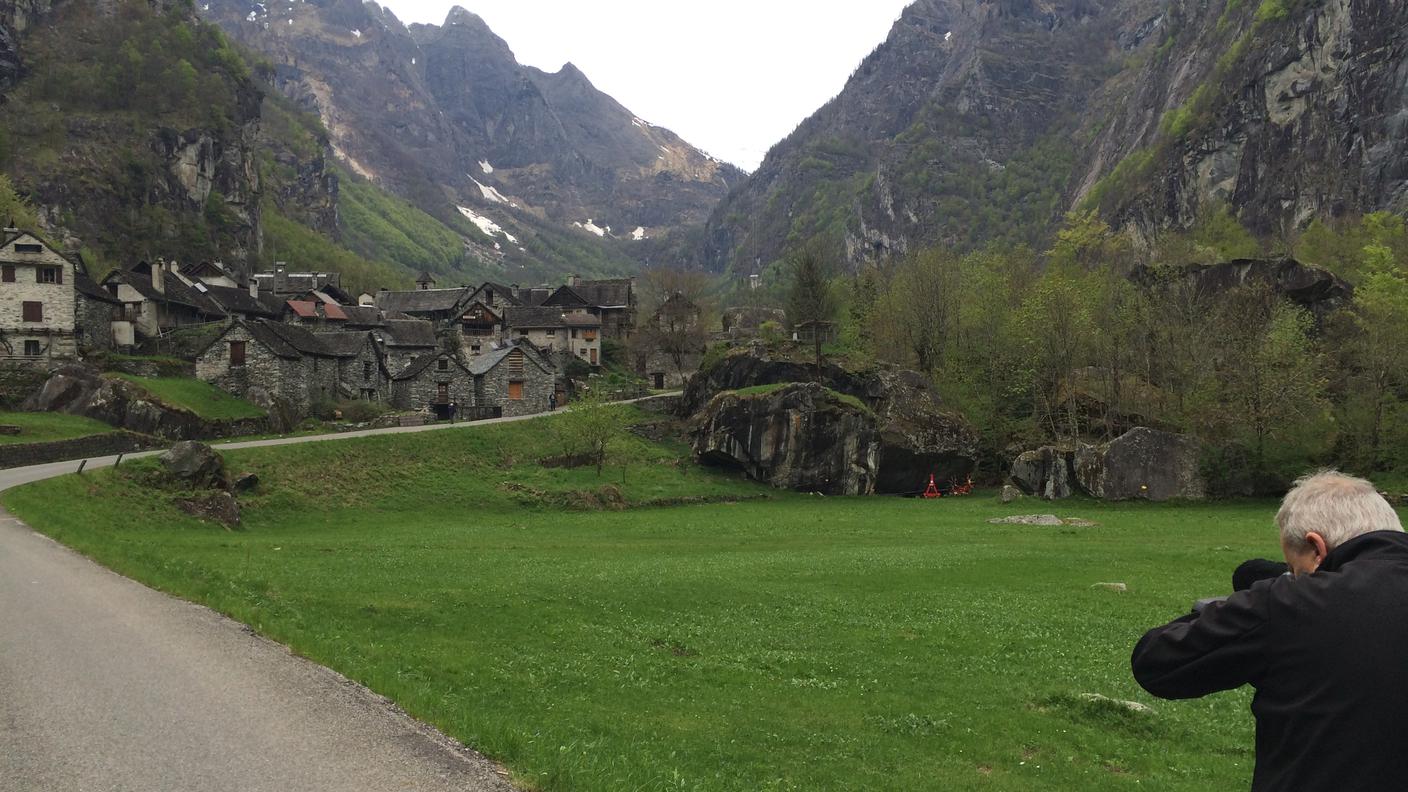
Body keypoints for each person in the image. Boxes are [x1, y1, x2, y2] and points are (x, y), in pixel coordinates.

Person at [1131, 470, 1408, 791]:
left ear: (1316, 548)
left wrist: (1272, 594)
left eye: (1295, 568)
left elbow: (1156, 661)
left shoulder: (1290, 605)